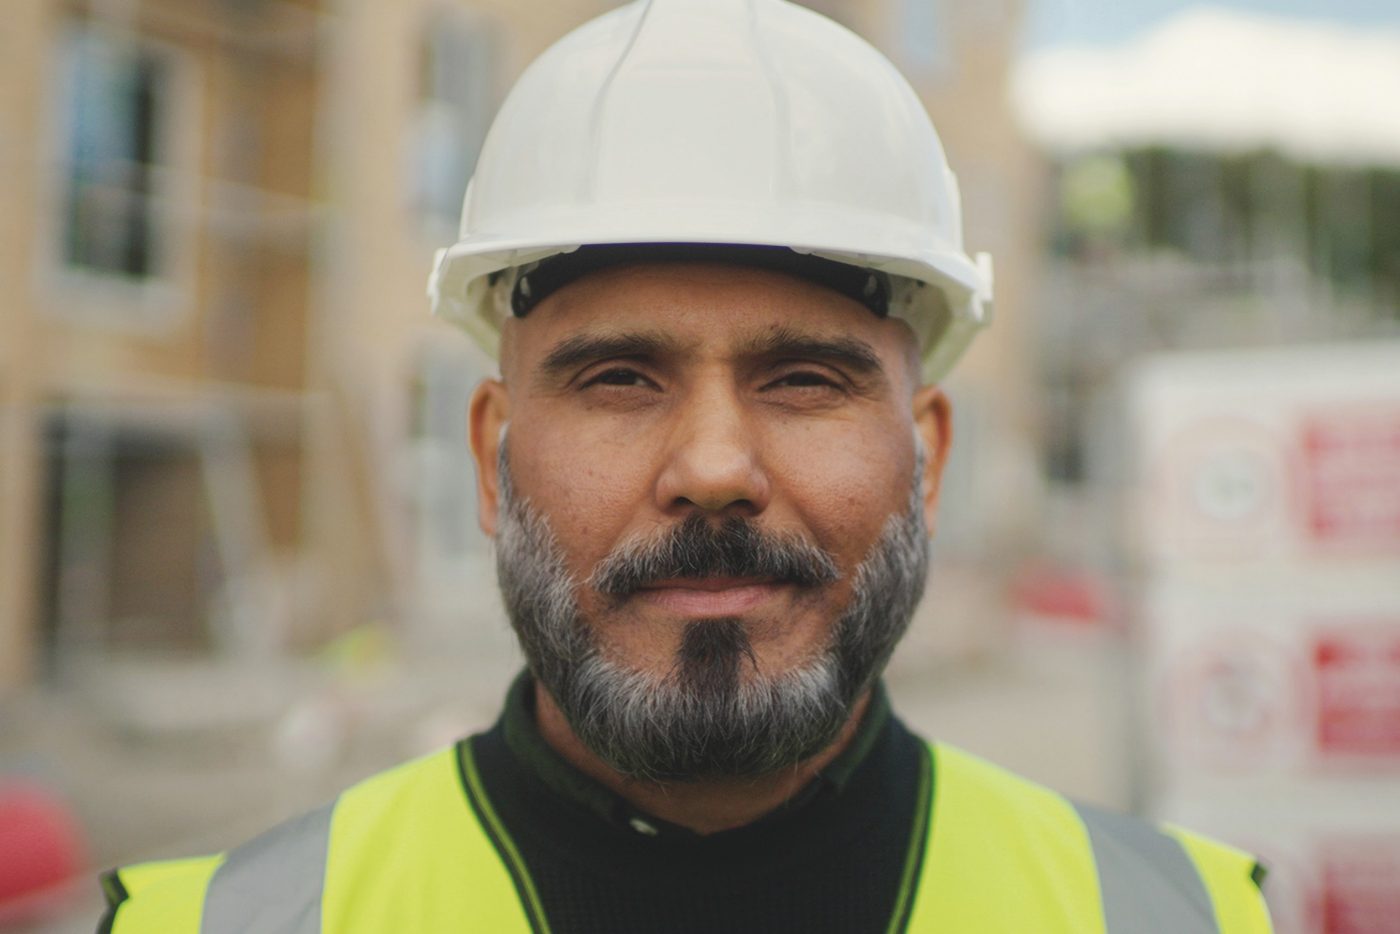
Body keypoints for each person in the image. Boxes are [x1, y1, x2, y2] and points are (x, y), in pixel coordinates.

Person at [97, 0, 1274, 931]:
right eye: (618, 378)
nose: (713, 465)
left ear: (924, 455)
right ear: (488, 457)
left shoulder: (1180, 918)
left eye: (804, 378)